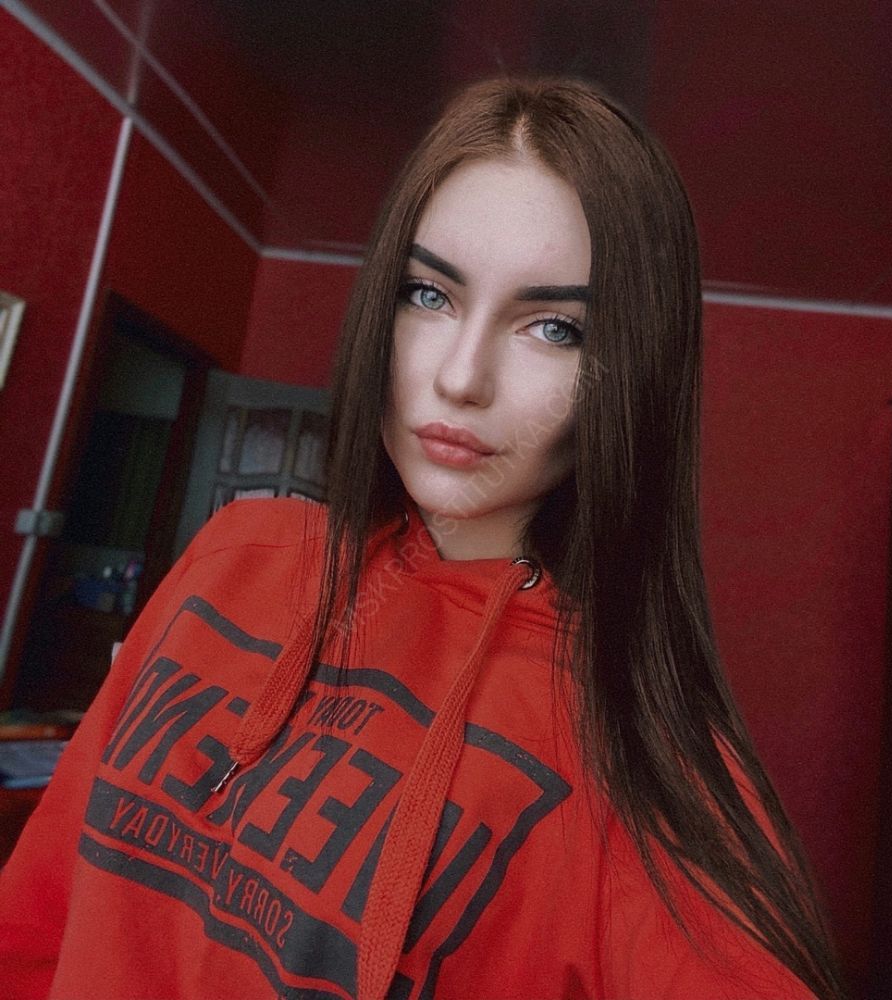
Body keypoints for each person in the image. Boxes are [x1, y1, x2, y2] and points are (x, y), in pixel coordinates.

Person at [0, 76, 845, 999]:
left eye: (554, 327)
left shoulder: (638, 754)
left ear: (630, 372)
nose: (461, 377)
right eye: (428, 294)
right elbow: (35, 926)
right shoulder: (236, 553)